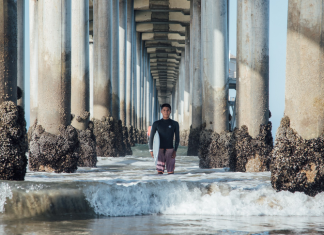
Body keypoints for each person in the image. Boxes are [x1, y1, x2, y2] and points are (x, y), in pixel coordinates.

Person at [149, 103, 179, 174]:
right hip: (159, 150)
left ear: (170, 111)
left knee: (171, 172)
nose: (166, 112)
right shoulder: (156, 123)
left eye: (168, 110)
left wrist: (175, 151)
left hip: (170, 150)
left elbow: (177, 138)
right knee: (159, 172)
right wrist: (151, 150)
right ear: (161, 111)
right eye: (164, 110)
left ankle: (171, 185)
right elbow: (151, 137)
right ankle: (160, 185)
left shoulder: (174, 124)